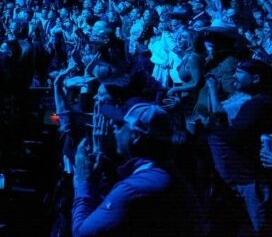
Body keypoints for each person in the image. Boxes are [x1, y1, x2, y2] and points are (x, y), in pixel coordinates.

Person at [71, 102, 201, 237]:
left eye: (119, 125)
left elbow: (81, 233)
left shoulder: (134, 188)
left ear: (136, 136)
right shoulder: (166, 172)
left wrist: (83, 180)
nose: (112, 127)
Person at [207, 59, 272, 235]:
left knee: (258, 211)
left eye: (240, 72)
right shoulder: (259, 101)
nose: (235, 76)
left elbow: (237, 136)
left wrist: (212, 127)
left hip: (253, 173)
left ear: (256, 78)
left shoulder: (257, 104)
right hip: (253, 170)